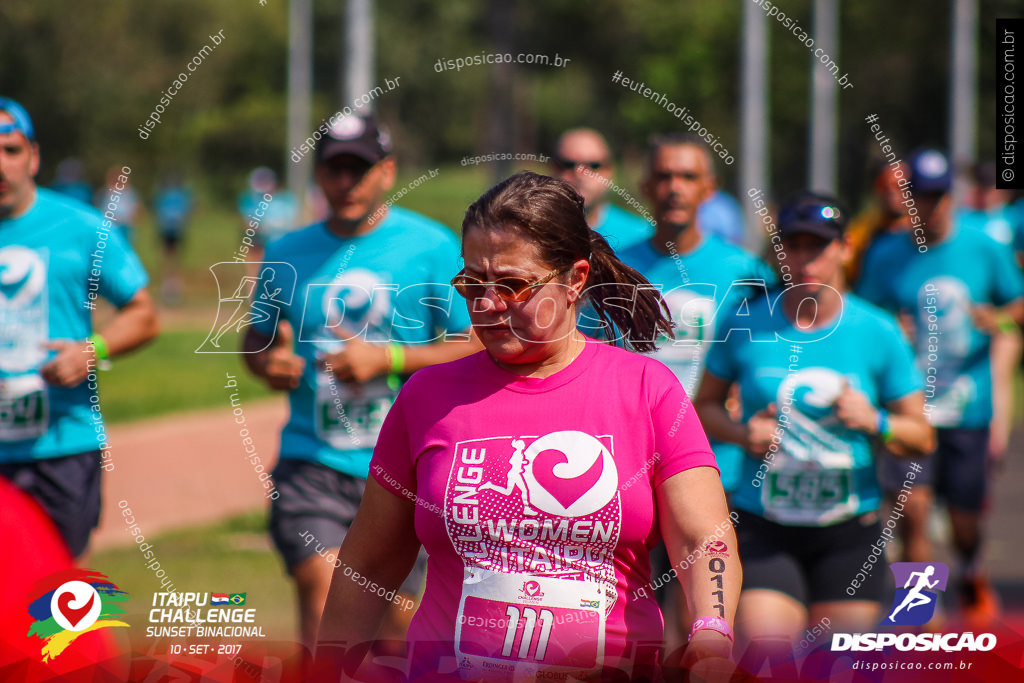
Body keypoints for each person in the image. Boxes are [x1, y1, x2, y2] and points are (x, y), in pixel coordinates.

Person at [316, 171, 740, 682]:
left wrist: (711, 635)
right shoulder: (426, 398)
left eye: (513, 286)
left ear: (574, 279)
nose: (488, 305)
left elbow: (702, 538)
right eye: (473, 284)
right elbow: (369, 564)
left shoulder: (648, 390)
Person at [242, 114, 479, 652]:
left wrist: (389, 359)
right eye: (335, 169)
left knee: (399, 628)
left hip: (410, 465)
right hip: (314, 461)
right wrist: (267, 363)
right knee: (323, 597)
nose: (346, 182)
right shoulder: (285, 253)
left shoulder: (432, 246)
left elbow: (474, 345)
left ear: (388, 172)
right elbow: (254, 339)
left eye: (360, 169)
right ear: (319, 176)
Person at [695, 192, 934, 653]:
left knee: (837, 665)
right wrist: (743, 434)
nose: (805, 258)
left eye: (819, 245)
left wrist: (875, 421)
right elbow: (702, 407)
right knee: (767, 653)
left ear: (844, 248)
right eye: (794, 245)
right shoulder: (747, 322)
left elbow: (921, 436)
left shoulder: (877, 330)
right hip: (765, 523)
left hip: (848, 530)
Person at [857, 149, 1024, 625]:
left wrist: (998, 319)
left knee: (964, 521)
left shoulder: (983, 247)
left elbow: (1018, 302)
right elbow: (863, 316)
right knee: (915, 509)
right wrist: (891, 326)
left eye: (936, 196)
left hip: (967, 407)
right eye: (919, 197)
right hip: (913, 409)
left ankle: (970, 567)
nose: (927, 206)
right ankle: (919, 617)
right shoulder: (886, 254)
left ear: (950, 197)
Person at [0, 97, 159, 559]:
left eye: (11, 150)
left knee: (58, 608)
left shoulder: (83, 229)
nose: (1, 165)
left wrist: (91, 351)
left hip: (61, 446)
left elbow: (144, 314)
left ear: (34, 155)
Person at [550, 128, 653, 252]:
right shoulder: (531, 232)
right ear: (552, 169)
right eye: (567, 165)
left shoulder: (643, 236)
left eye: (594, 166)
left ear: (610, 171)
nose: (580, 174)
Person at [844, 160, 910, 284]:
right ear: (877, 188)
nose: (893, 192)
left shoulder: (924, 231)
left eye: (902, 185)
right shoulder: (860, 236)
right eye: (885, 186)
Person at [237, 166, 299, 266]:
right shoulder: (248, 200)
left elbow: (294, 222)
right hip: (259, 242)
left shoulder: (286, 199)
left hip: (282, 242)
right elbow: (247, 224)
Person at [153, 174, 194, 304]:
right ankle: (169, 290)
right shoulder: (176, 196)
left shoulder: (170, 196)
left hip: (173, 231)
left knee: (171, 262)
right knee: (172, 262)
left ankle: (172, 290)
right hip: (170, 231)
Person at [95, 165, 141, 244]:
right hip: (110, 225)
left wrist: (131, 218)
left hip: (125, 225)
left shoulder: (129, 192)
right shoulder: (105, 192)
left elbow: (136, 208)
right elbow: (98, 207)